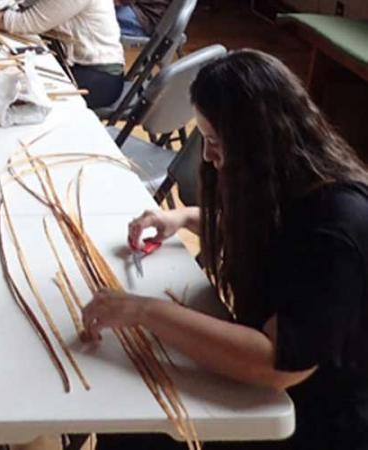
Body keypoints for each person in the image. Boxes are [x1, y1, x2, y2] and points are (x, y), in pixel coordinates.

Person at [82, 49, 368, 450]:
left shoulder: (337, 222)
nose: (208, 155)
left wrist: (146, 311)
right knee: (132, 401)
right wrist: (185, 219)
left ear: (261, 140)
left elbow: (278, 364)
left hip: (317, 421)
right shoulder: (296, 179)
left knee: (142, 426)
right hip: (284, 396)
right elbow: (283, 241)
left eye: (215, 140)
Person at [0, 0, 125, 109]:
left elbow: (27, 22)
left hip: (99, 76)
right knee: (5, 78)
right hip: (68, 60)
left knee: (15, 94)